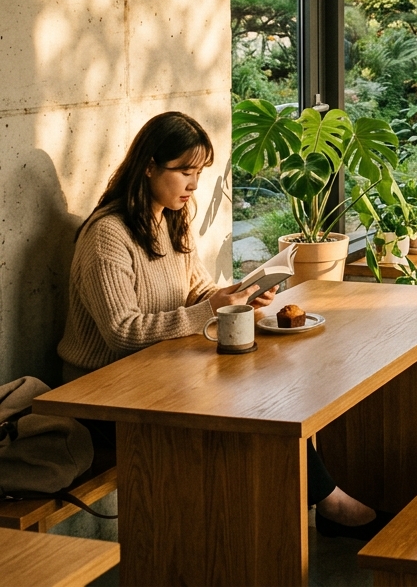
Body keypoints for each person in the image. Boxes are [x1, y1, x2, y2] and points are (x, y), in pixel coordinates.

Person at [57, 111, 388, 540]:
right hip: (103, 394)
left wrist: (241, 294)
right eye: (185, 172)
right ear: (149, 166)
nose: (194, 185)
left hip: (159, 373)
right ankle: (314, 510)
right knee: (253, 402)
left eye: (199, 172)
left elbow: (196, 292)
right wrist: (210, 310)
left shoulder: (172, 219)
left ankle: (295, 513)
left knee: (271, 388)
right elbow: (122, 331)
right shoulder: (108, 235)